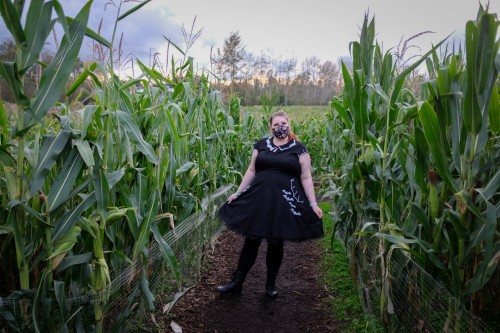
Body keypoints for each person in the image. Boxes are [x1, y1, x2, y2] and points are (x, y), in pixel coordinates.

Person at [217, 110, 324, 298]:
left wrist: (313, 203)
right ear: (270, 127)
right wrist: (238, 192)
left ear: (289, 124)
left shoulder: (299, 148)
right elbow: (251, 171)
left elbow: (306, 177)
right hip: (259, 199)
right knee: (251, 240)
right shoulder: (261, 146)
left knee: (275, 242)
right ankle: (237, 283)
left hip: (283, 201)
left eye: (282, 123)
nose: (279, 127)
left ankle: (270, 285)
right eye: (275, 124)